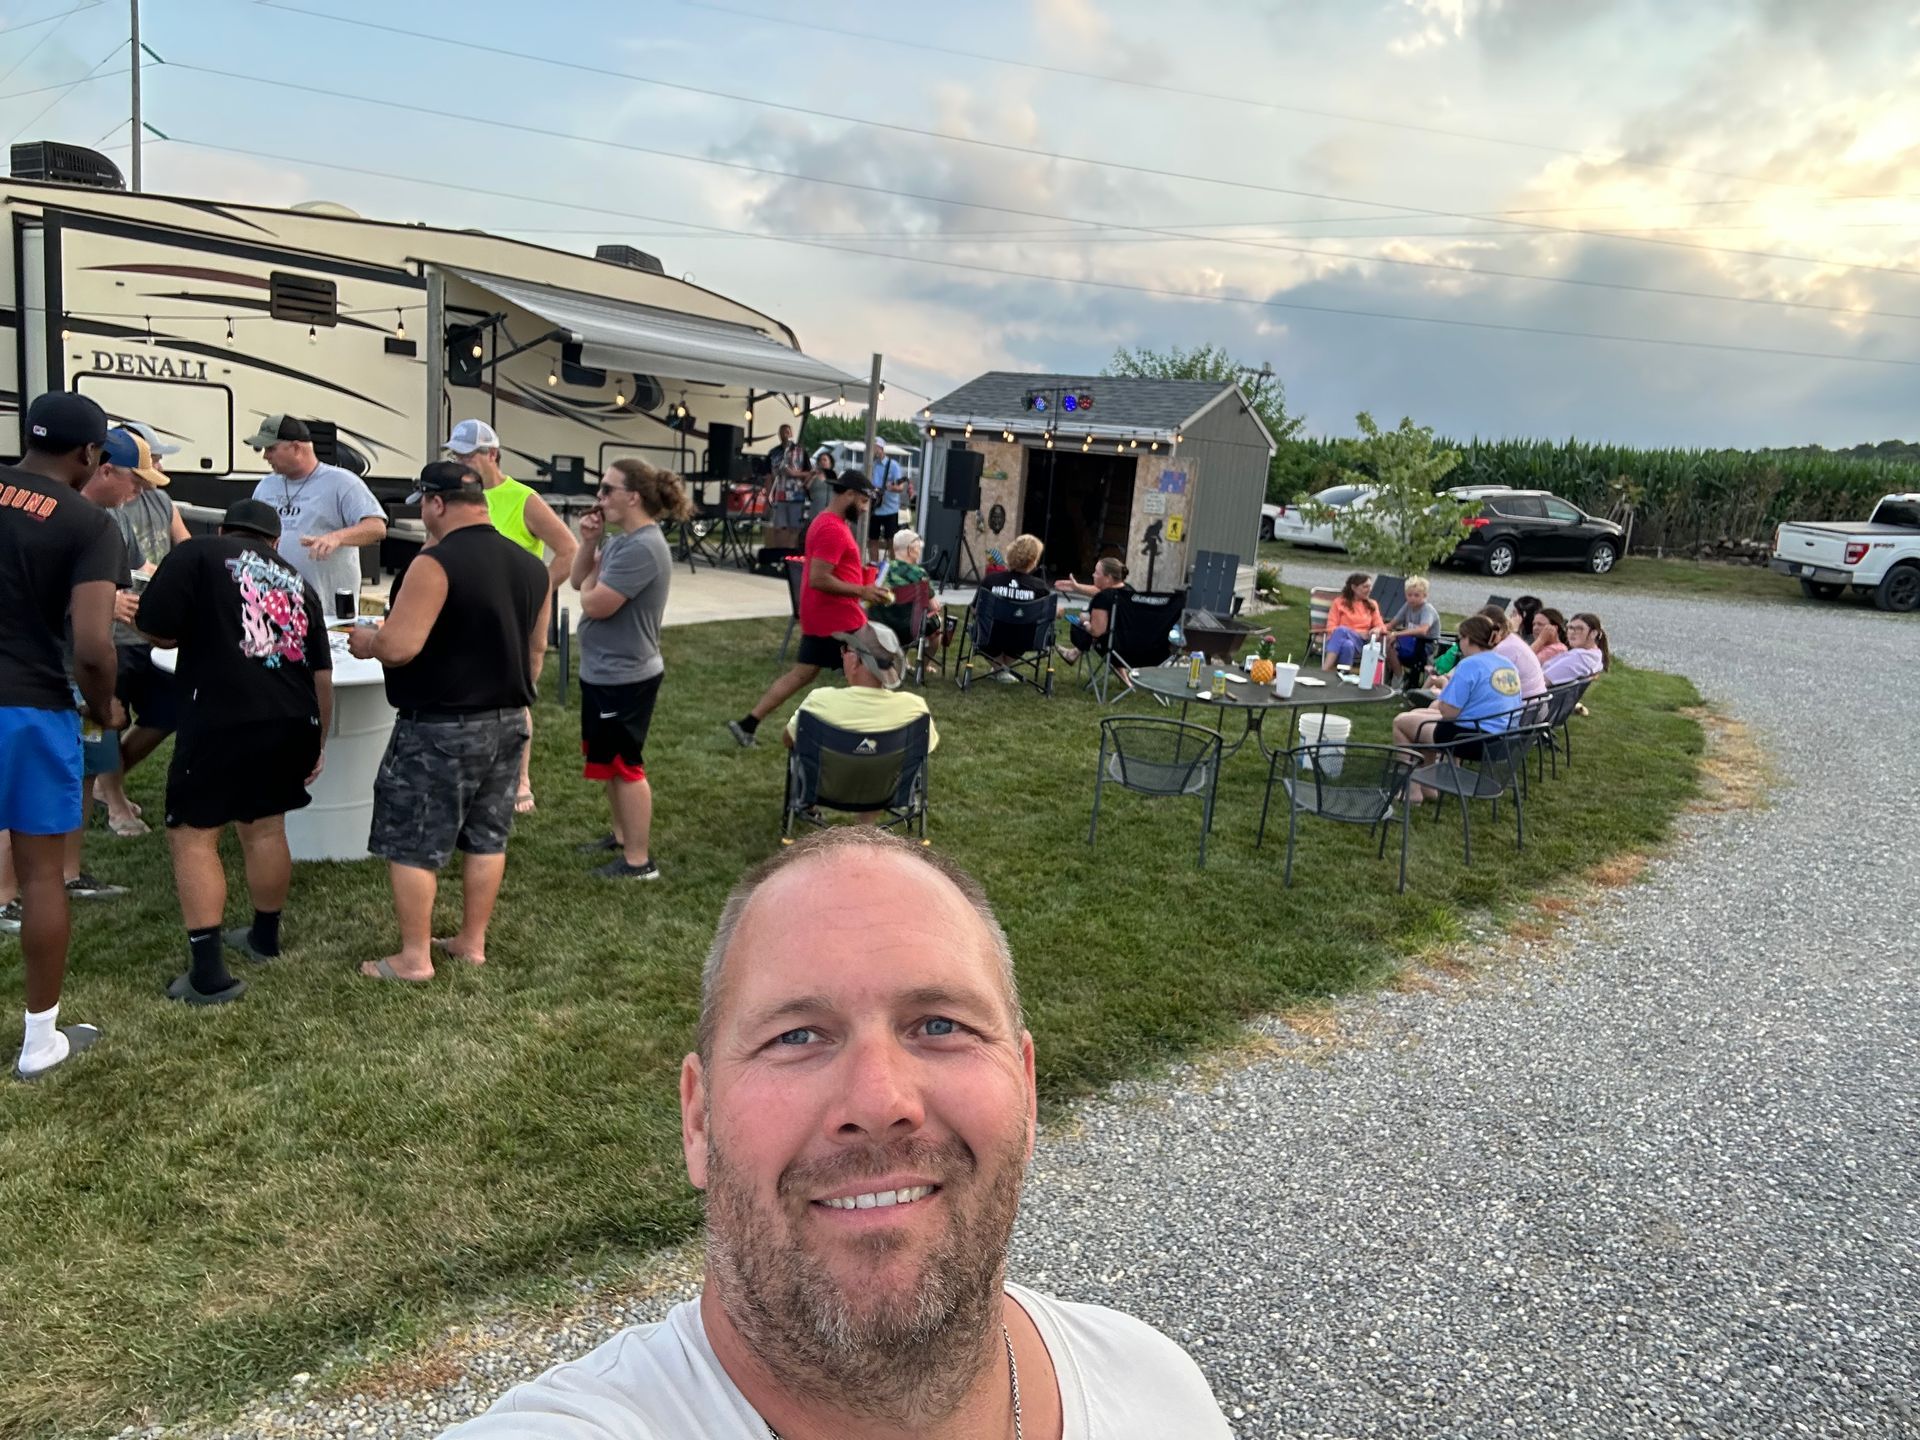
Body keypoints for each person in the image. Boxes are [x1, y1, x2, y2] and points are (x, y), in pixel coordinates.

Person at [441, 829, 1233, 1439]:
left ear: (1025, 1091)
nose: (879, 1100)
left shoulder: (1159, 1390)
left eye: (939, 1024)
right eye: (797, 1036)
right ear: (697, 1118)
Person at [349, 462, 550, 980]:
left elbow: (398, 646)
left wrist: (368, 640)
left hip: (440, 725)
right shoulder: (532, 566)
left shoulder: (434, 562)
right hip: (508, 719)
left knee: (412, 840)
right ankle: (471, 941)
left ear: (436, 503)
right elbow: (536, 648)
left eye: (422, 503)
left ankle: (415, 957)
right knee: (488, 835)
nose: (421, 513)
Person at [137, 498, 333, 1005]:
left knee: (193, 835)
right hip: (293, 717)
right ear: (273, 542)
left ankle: (209, 976)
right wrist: (318, 740)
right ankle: (264, 939)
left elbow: (158, 627)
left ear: (225, 528)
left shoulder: (200, 552)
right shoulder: (298, 582)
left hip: (222, 715)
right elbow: (321, 674)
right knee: (265, 827)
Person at [0, 392, 116, 1077]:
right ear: (89, 454)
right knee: (42, 873)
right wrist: (105, 707)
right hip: (28, 707)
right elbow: (95, 646)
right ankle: (41, 1041)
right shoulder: (87, 523)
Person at [444, 418, 579, 815]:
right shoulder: (458, 498)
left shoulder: (523, 499)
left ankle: (520, 780)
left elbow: (567, 550)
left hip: (517, 619)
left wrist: (538, 592)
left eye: (467, 455)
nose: (461, 463)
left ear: (492, 454)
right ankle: (473, 774)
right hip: (467, 618)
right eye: (456, 455)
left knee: (516, 698)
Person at [571, 459, 689, 881]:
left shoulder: (643, 547)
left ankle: (639, 862)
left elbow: (595, 602)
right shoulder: (623, 541)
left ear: (632, 497)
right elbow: (577, 579)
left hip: (626, 675)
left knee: (625, 765)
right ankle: (621, 836)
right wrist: (589, 541)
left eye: (606, 490)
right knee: (608, 761)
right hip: (605, 671)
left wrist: (589, 590)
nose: (599, 499)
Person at [728, 471, 885, 747]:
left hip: (823, 616)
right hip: (837, 619)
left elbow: (831, 569)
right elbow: (819, 578)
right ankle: (868, 736)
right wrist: (862, 590)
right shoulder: (831, 529)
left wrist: (858, 577)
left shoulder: (828, 522)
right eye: (862, 501)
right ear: (848, 494)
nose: (863, 508)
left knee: (803, 674)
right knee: (876, 669)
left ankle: (748, 724)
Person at [94, 425, 189, 836]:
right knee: (106, 719)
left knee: (170, 711)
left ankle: (103, 780)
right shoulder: (99, 509)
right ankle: (114, 803)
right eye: (146, 468)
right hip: (108, 638)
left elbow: (180, 549)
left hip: (153, 635)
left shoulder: (160, 500)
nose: (155, 472)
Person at [246, 413, 388, 604]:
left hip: (327, 606)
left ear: (296, 447)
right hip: (276, 606)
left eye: (271, 448)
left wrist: (336, 537)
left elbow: (376, 527)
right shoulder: (266, 486)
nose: (265, 456)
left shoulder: (342, 482)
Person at [1392, 613, 1523, 796]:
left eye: (1459, 639)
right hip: (1502, 738)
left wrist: (1445, 688)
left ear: (1468, 639)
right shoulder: (1507, 664)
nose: (1458, 644)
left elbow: (1449, 713)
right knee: (1421, 715)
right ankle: (1429, 788)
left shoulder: (1470, 665)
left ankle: (1412, 790)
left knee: (1401, 723)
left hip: (1472, 739)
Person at [784, 620, 939, 749]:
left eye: (845, 649)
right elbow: (926, 748)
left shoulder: (818, 702)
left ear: (854, 661)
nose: (842, 654)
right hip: (892, 785)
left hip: (830, 785)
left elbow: (789, 739)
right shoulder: (915, 710)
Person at [1054, 556, 1131, 667]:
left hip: (1112, 645)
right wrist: (1075, 587)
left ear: (1108, 577)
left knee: (1085, 624)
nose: (1093, 575)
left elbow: (1096, 632)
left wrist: (1085, 622)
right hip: (1133, 644)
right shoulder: (1129, 592)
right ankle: (1074, 653)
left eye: (1096, 572)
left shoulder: (1103, 598)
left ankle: (1074, 653)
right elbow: (1102, 591)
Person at [867, 526, 933, 653]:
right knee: (937, 633)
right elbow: (933, 605)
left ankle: (901, 661)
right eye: (919, 548)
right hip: (908, 632)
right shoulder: (919, 574)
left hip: (878, 628)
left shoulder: (880, 570)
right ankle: (923, 668)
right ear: (910, 550)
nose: (920, 552)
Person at [1320, 571, 1384, 670]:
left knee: (1342, 630)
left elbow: (1381, 626)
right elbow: (1331, 627)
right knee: (1347, 644)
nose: (1369, 590)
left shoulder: (1372, 604)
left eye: (1370, 586)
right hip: (1340, 641)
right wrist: (1356, 633)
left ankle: (1324, 669)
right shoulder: (1339, 603)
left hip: (1362, 643)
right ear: (1354, 587)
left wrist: (1377, 629)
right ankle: (1344, 676)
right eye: (1365, 587)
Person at [1481, 604, 1547, 698]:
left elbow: (1485, 683)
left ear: (1497, 628)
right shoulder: (1511, 640)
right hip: (1534, 702)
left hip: (1524, 706)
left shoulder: (1504, 649)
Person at [1382, 575, 1438, 679]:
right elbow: (1392, 624)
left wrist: (1396, 634)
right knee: (1384, 642)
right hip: (1411, 641)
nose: (1412, 598)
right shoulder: (1407, 606)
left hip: (1425, 644)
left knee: (1390, 646)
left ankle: (1399, 678)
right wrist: (1379, 630)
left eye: (1416, 595)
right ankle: (1390, 676)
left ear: (1424, 595)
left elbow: (1423, 630)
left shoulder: (1427, 609)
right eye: (1409, 595)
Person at [866, 439, 907, 562]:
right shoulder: (870, 465)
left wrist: (891, 487)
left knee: (891, 540)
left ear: (881, 449)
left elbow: (900, 487)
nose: (873, 451)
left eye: (875, 448)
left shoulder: (893, 465)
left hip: (890, 509)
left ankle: (893, 567)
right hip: (874, 508)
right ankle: (874, 566)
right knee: (873, 539)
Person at [1544, 612, 1610, 684]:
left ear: (1593, 633)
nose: (1572, 632)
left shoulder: (1579, 657)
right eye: (1570, 628)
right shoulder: (1595, 655)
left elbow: (1541, 682)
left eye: (1579, 628)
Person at [807, 448, 838, 519]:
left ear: (830, 462)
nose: (822, 462)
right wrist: (812, 476)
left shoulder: (834, 475)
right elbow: (807, 487)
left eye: (825, 460)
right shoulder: (814, 474)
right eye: (820, 460)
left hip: (830, 510)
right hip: (816, 508)